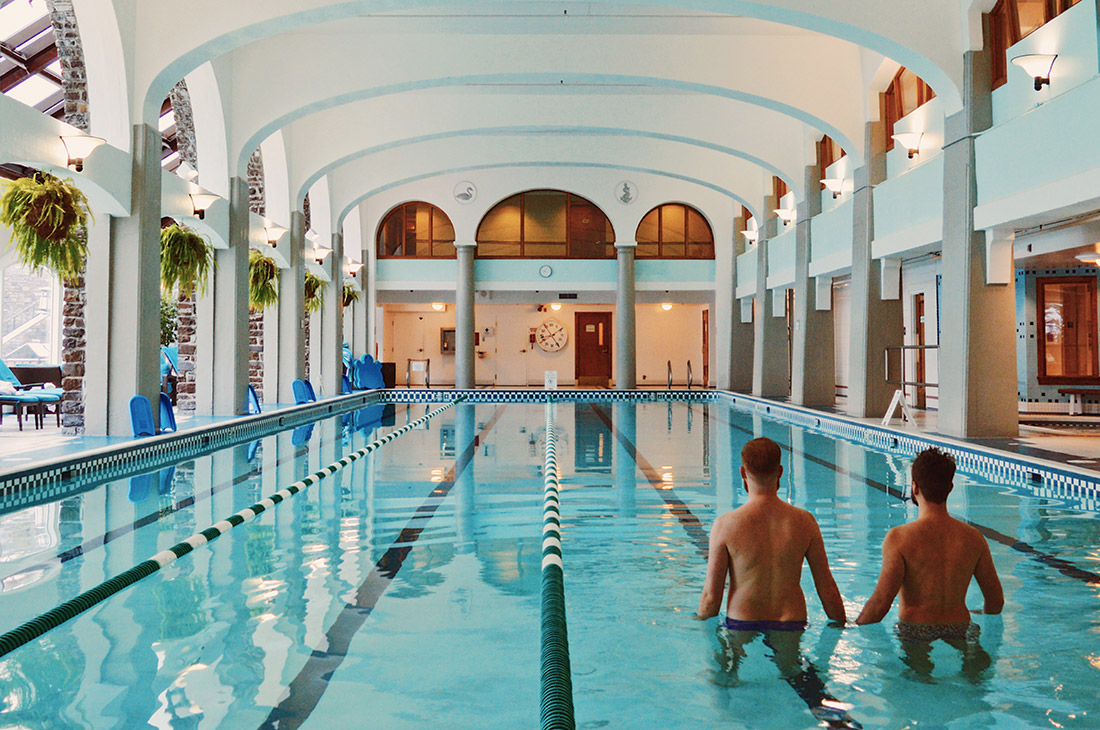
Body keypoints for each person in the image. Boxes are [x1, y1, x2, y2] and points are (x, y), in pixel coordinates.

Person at [856, 447, 1003, 673]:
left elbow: (880, 604)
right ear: (950, 488)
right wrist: (981, 614)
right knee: (975, 679)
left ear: (914, 487)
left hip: (916, 630)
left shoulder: (899, 538)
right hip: (961, 627)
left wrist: (852, 628)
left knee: (916, 682)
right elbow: (995, 601)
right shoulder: (973, 538)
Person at [698, 436, 847, 628]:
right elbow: (827, 588)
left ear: (743, 472)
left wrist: (699, 624)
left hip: (743, 620)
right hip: (791, 620)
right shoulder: (805, 521)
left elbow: (711, 596)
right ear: (780, 471)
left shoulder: (725, 525)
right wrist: (842, 623)